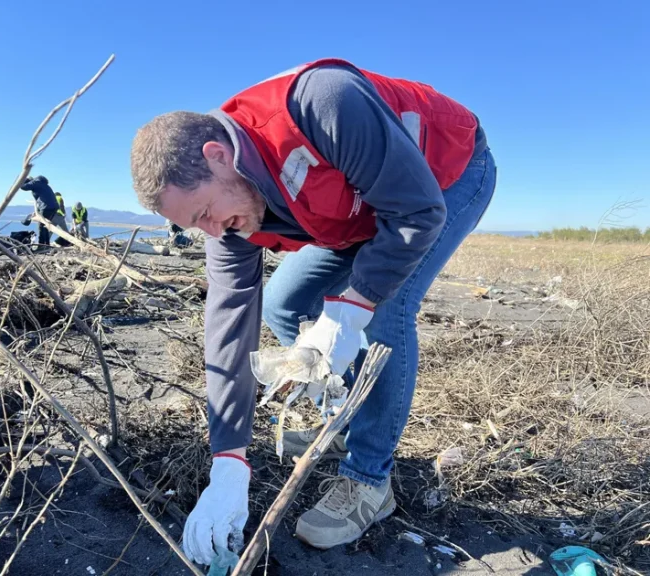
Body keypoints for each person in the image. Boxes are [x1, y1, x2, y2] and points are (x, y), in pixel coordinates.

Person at [130, 59, 496, 565]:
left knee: (386, 311)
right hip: (356, 211)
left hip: (446, 175)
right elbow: (229, 331)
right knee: (284, 303)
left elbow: (416, 212)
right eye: (196, 228)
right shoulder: (228, 219)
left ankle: (369, 480)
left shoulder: (321, 103)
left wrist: (354, 306)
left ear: (217, 156)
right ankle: (347, 421)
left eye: (203, 214)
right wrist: (229, 461)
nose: (212, 232)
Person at [20, 175, 58, 245]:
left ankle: (41, 245)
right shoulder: (42, 185)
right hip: (52, 207)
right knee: (45, 226)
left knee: (41, 226)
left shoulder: (35, 182)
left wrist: (20, 181)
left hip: (46, 207)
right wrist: (37, 211)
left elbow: (23, 187)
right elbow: (39, 200)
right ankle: (46, 245)